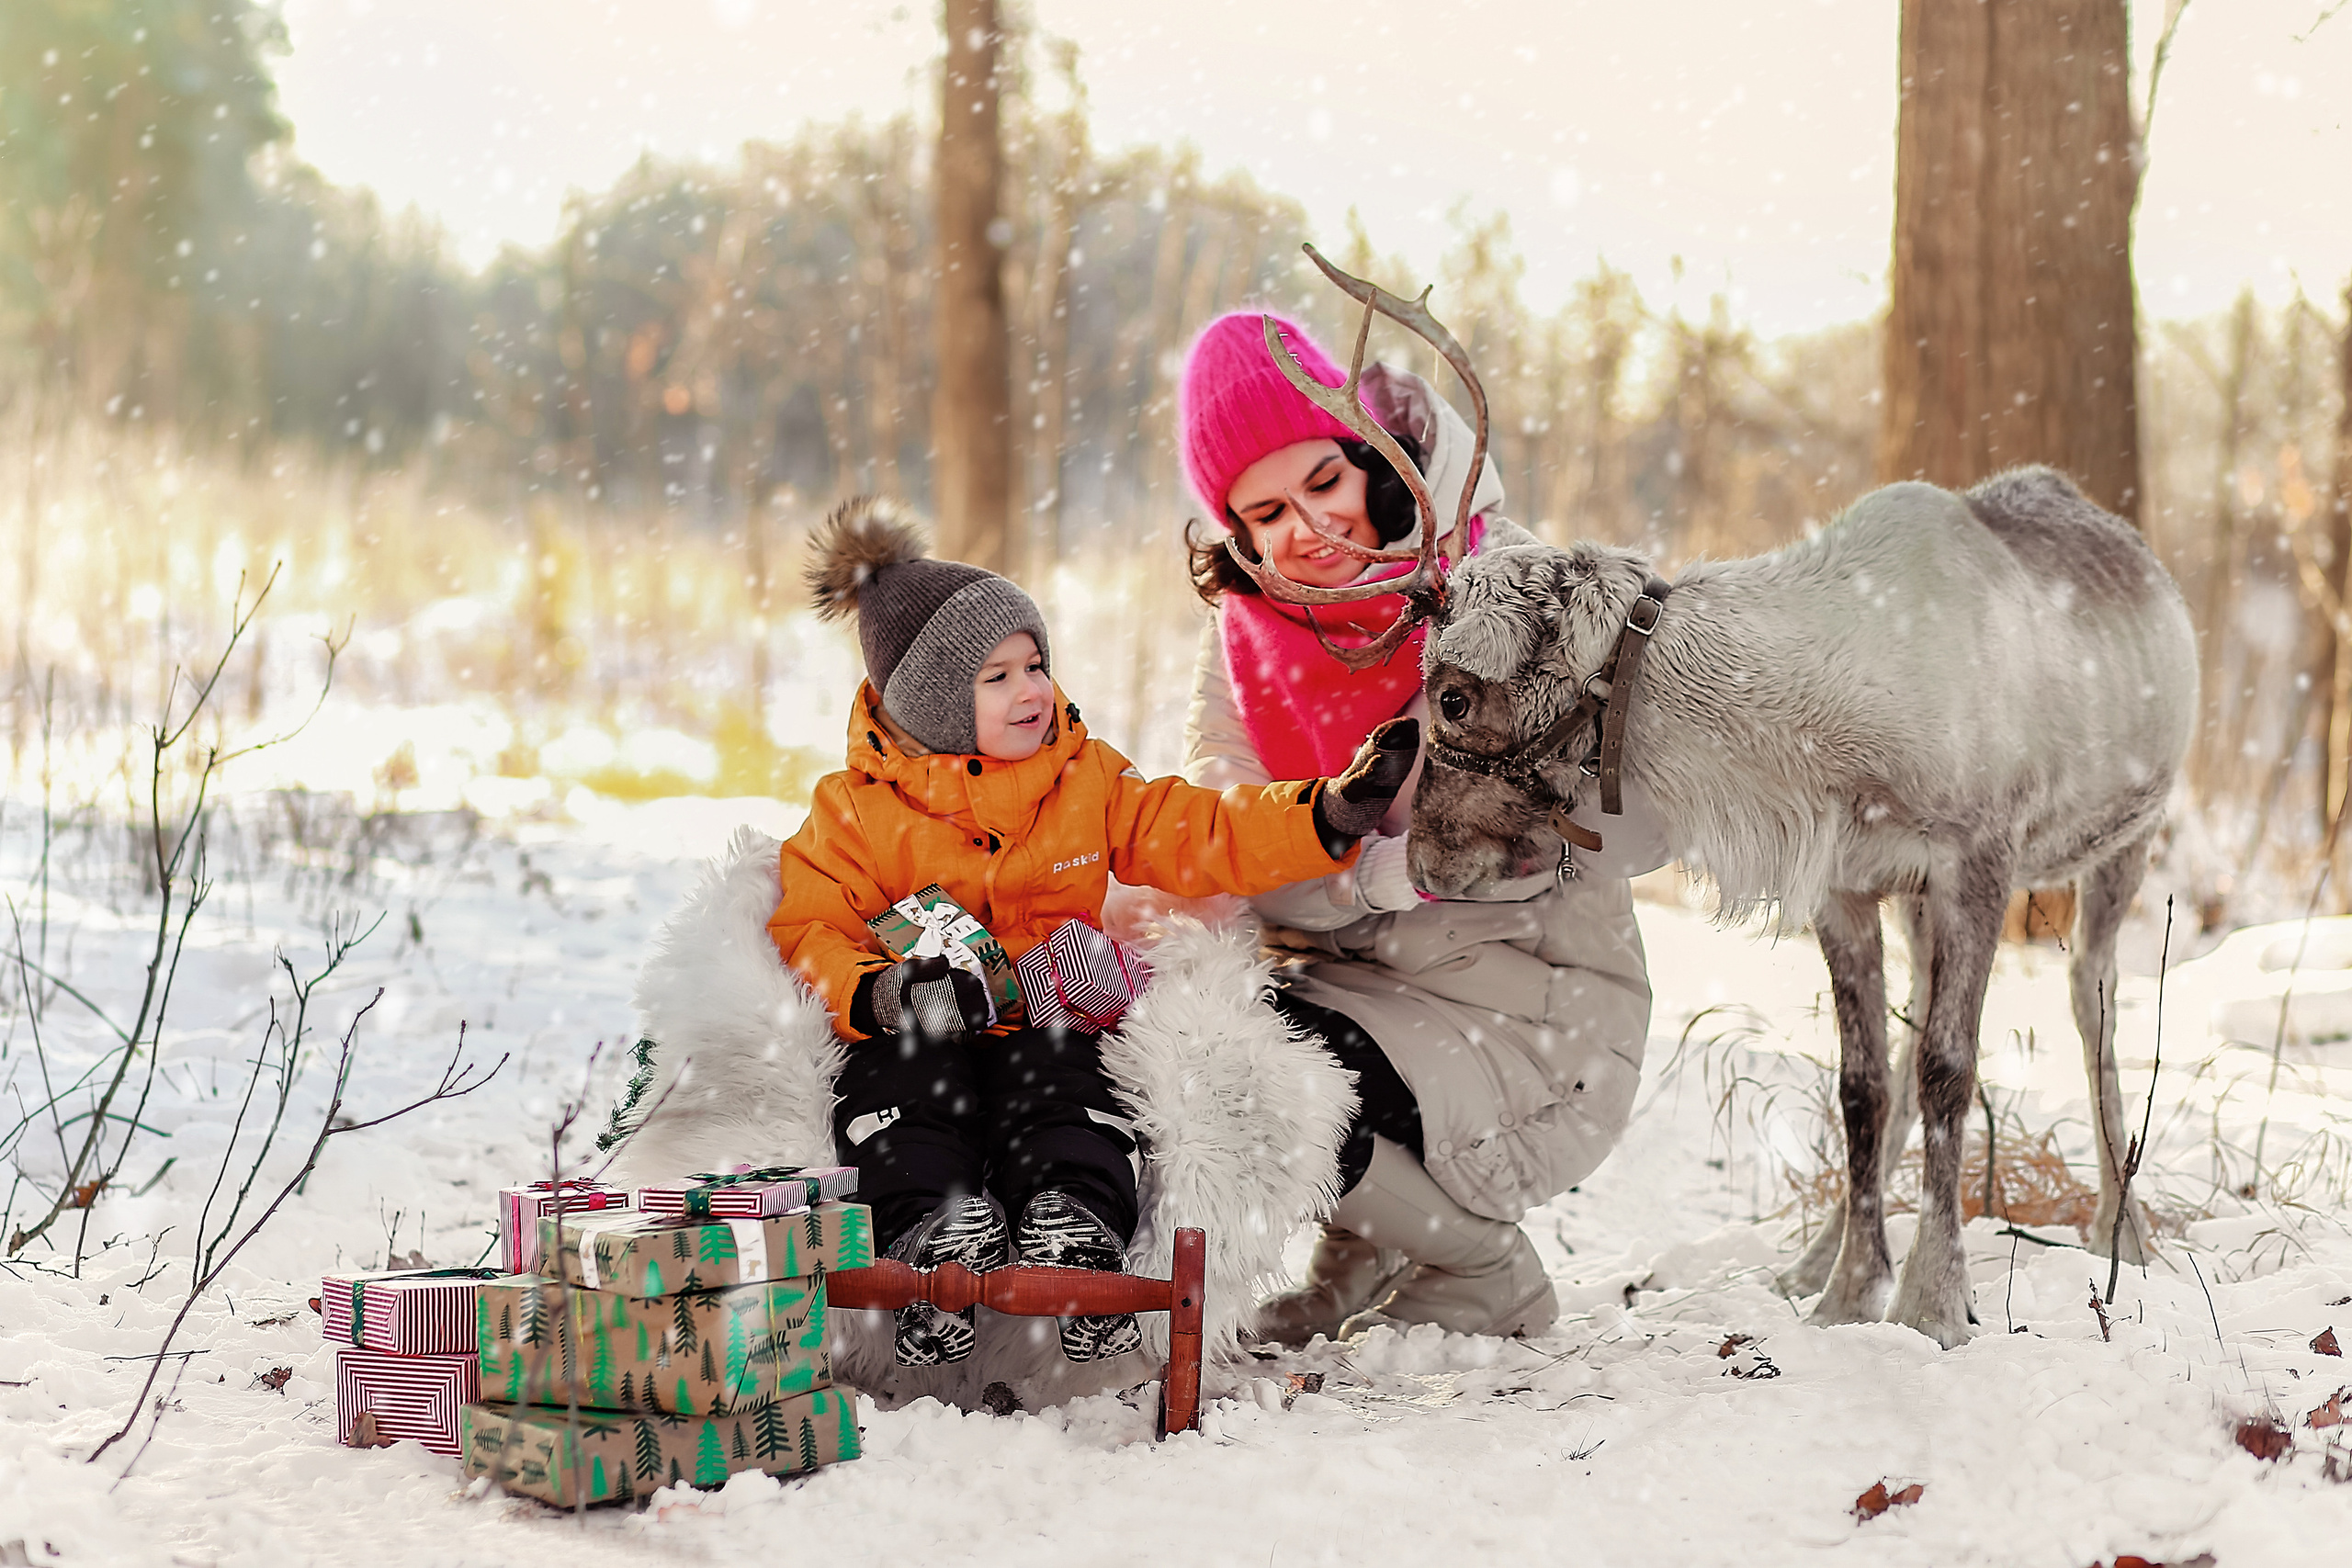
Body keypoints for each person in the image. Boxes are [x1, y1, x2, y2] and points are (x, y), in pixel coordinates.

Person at [768, 496, 1417, 1368]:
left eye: (1034, 663)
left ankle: (1076, 1232)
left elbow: (1200, 830)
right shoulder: (851, 814)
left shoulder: (1084, 777)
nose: (1034, 689)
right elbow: (810, 925)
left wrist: (1323, 813)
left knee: (1077, 1088)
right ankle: (930, 1238)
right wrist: (880, 990)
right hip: (920, 1025)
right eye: (996, 677)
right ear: (931, 704)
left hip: (1047, 1009)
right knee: (900, 1103)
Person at [1177, 310, 1664, 1342]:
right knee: (1197, 1046)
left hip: (1535, 1009)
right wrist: (1359, 856)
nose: (1303, 529)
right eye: (1264, 513)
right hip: (1363, 986)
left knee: (1270, 1072)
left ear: (1376, 463)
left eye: (1322, 483)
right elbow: (1224, 841)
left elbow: (1575, 843)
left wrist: (1377, 852)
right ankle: (1360, 1254)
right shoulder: (1241, 650)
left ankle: (1484, 1267)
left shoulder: (1509, 594)